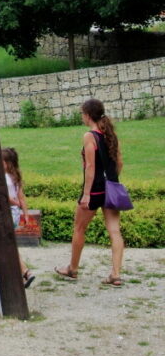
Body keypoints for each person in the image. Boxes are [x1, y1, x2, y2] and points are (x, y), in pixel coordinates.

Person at [55, 98, 125, 286]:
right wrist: (112, 180)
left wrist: (86, 194)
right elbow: (119, 163)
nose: (82, 117)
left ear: (87, 115)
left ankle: (72, 269)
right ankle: (115, 274)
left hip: (94, 190)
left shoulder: (90, 136)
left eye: (82, 114)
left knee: (79, 228)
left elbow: (90, 167)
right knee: (114, 231)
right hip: (111, 188)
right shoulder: (110, 135)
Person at [1, 147, 34, 288]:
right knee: (9, 244)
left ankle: (25, 271)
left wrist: (15, 202)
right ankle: (23, 273)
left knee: (8, 245)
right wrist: (25, 214)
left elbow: (4, 195)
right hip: (15, 213)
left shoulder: (4, 178)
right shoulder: (16, 176)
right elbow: (22, 197)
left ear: (7, 163)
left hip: (8, 211)